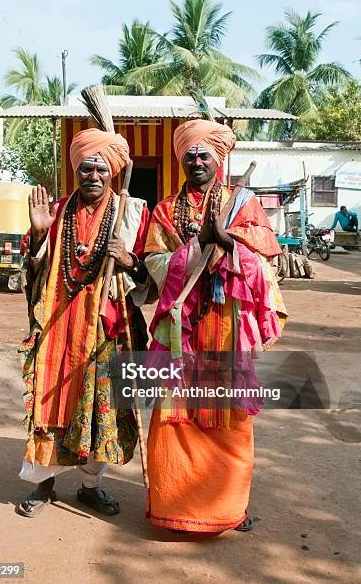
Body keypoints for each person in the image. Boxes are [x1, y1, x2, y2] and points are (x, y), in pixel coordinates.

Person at [144, 119, 287, 534]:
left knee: (232, 422)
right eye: (189, 155)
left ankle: (229, 508)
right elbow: (155, 261)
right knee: (175, 418)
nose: (196, 161)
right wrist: (192, 251)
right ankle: (174, 505)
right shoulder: (166, 210)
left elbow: (266, 265)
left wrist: (227, 244)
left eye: (204, 154)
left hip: (228, 329)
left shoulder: (245, 205)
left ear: (219, 159)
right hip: (180, 333)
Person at [17, 127, 151, 517]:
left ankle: (91, 486)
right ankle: (43, 485)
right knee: (50, 402)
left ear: (112, 173)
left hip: (106, 331)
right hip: (58, 328)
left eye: (101, 169)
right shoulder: (56, 212)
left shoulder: (131, 214)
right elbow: (32, 267)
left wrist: (130, 261)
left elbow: (151, 276)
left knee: (101, 411)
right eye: (86, 169)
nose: (93, 176)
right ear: (76, 171)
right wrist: (40, 236)